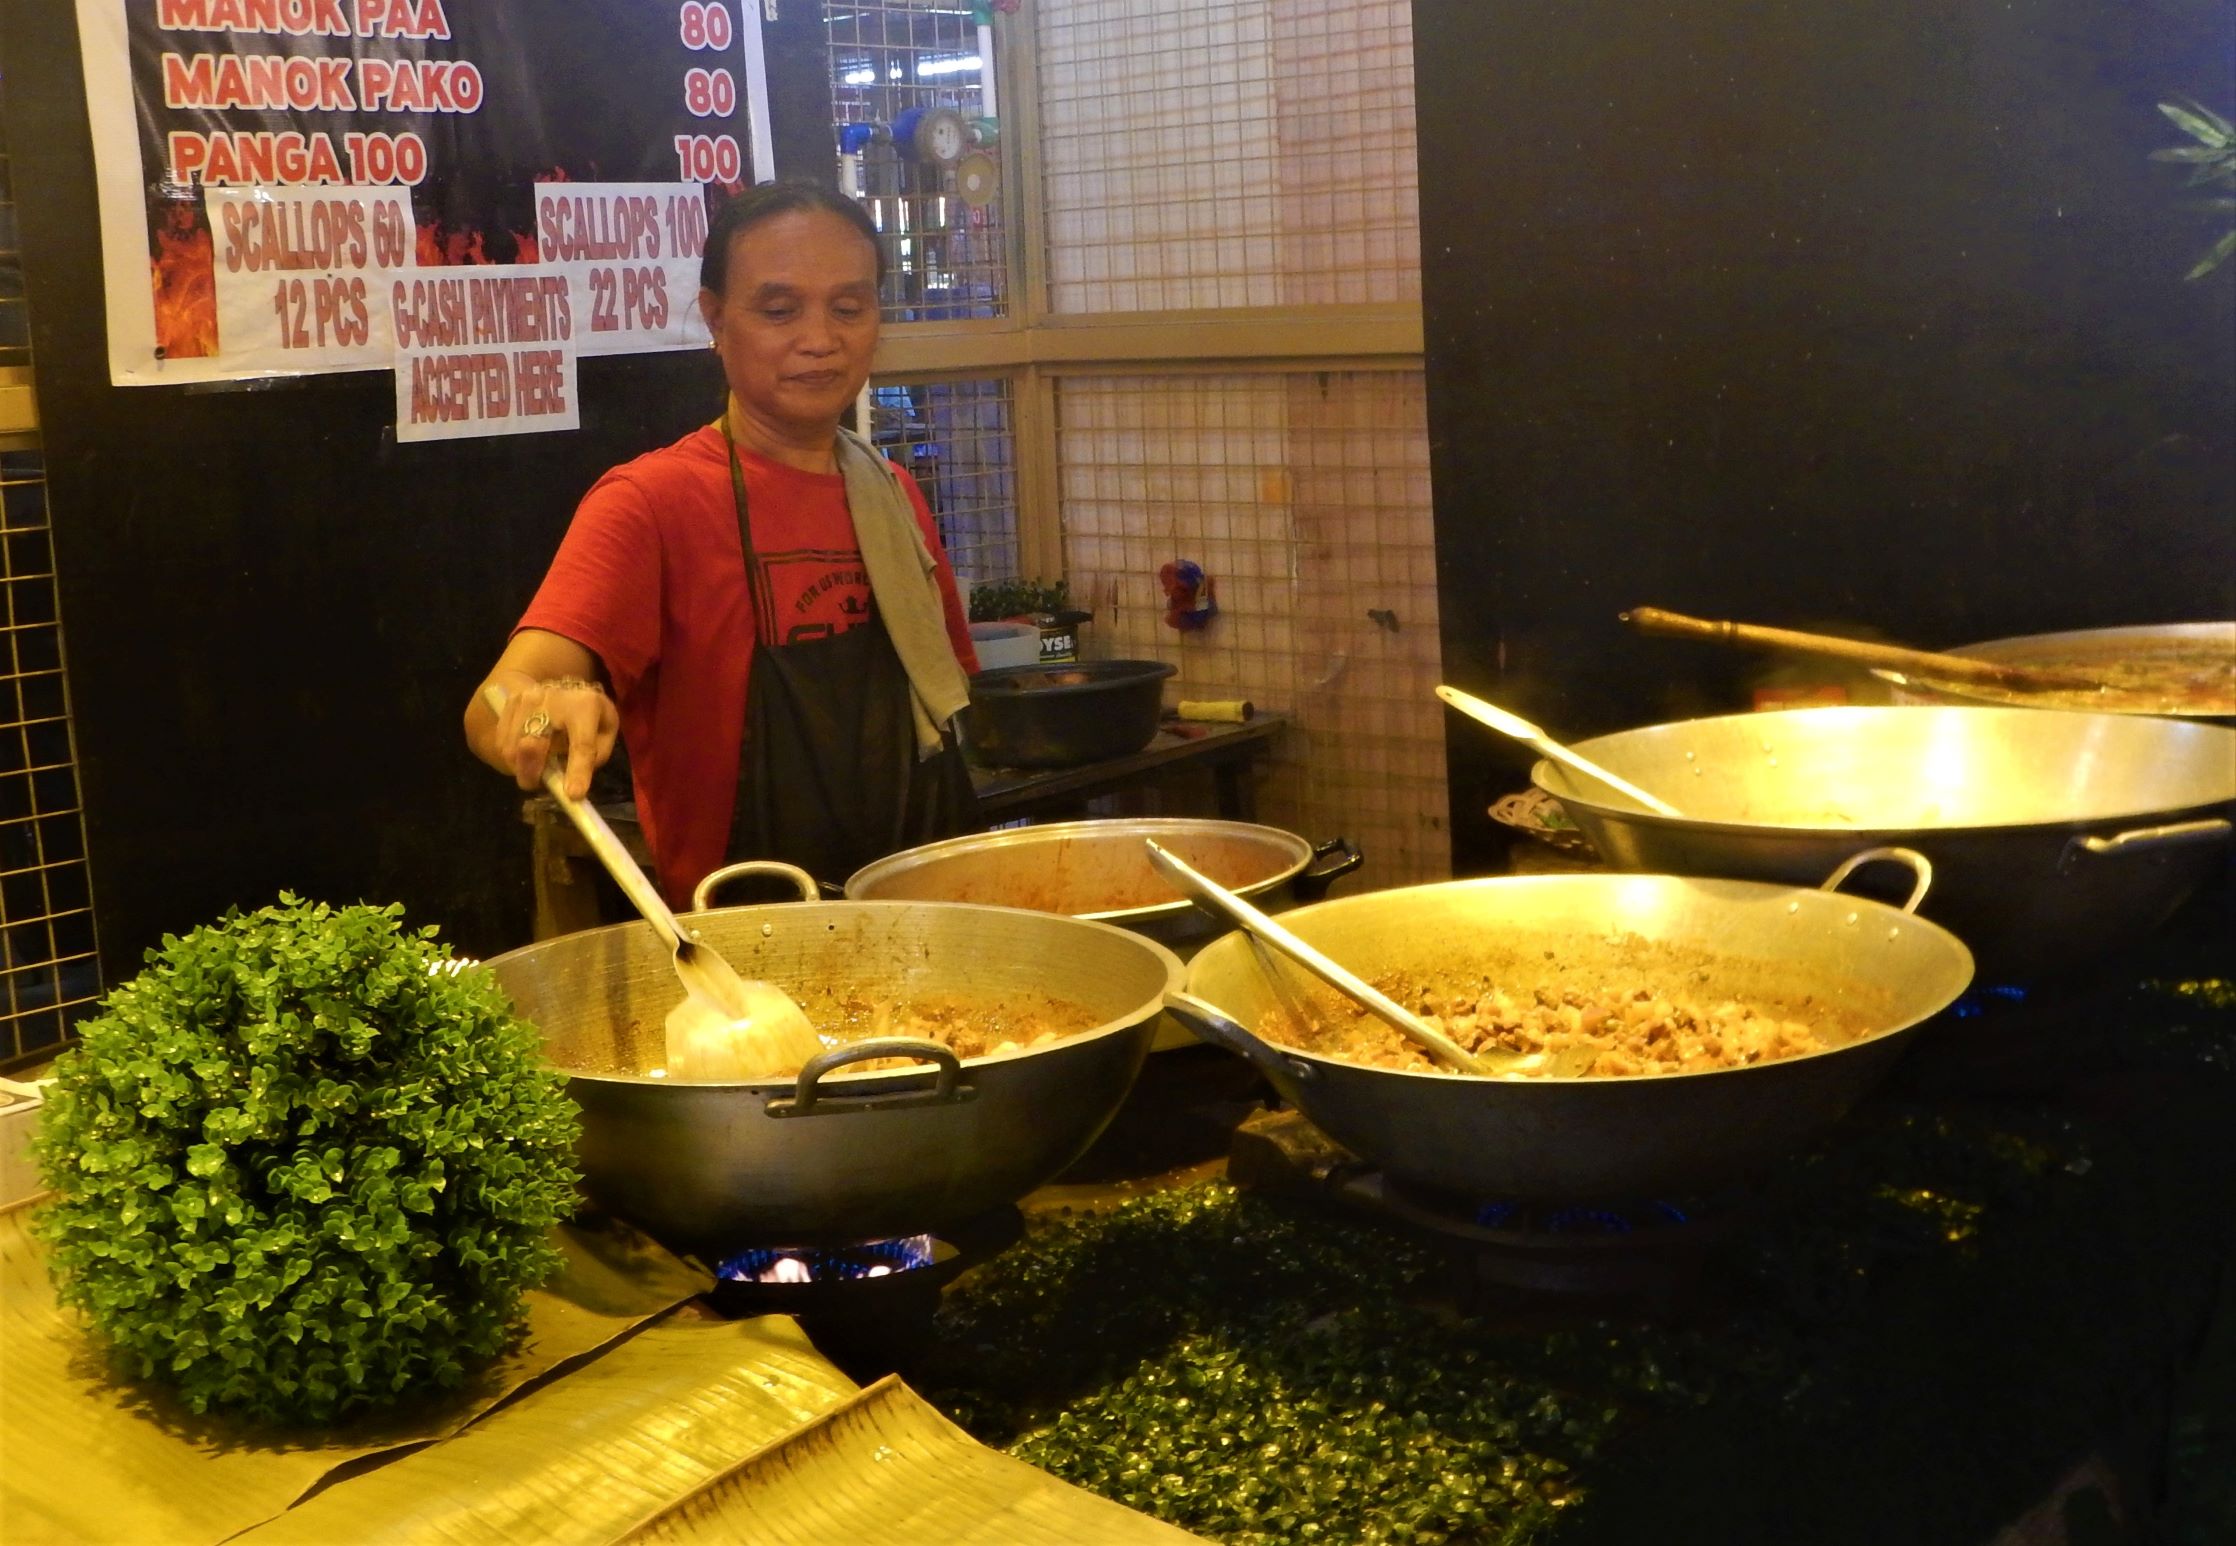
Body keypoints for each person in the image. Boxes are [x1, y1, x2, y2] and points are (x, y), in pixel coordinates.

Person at [464, 180, 982, 906]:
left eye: (849, 307)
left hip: (921, 914)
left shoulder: (891, 494)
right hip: (745, 947)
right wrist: (543, 712)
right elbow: (497, 700)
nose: (820, 339)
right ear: (715, 318)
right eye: (779, 310)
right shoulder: (651, 503)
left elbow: (949, 708)